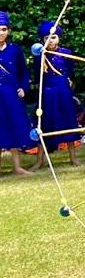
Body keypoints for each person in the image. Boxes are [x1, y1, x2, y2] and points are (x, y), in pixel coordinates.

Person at [31, 22, 81, 168]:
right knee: (44, 125)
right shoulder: (39, 55)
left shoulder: (66, 53)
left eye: (53, 37)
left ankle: (73, 158)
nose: (50, 41)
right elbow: (37, 76)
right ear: (42, 40)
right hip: (47, 93)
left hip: (63, 91)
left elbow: (71, 72)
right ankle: (40, 161)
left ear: (58, 37)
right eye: (47, 38)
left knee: (69, 123)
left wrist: (69, 83)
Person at [0, 11, 34, 176]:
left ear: (8, 31)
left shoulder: (15, 50)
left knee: (13, 128)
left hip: (12, 95)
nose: (1, 32)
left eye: (4, 29)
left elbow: (24, 72)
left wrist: (23, 87)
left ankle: (17, 167)